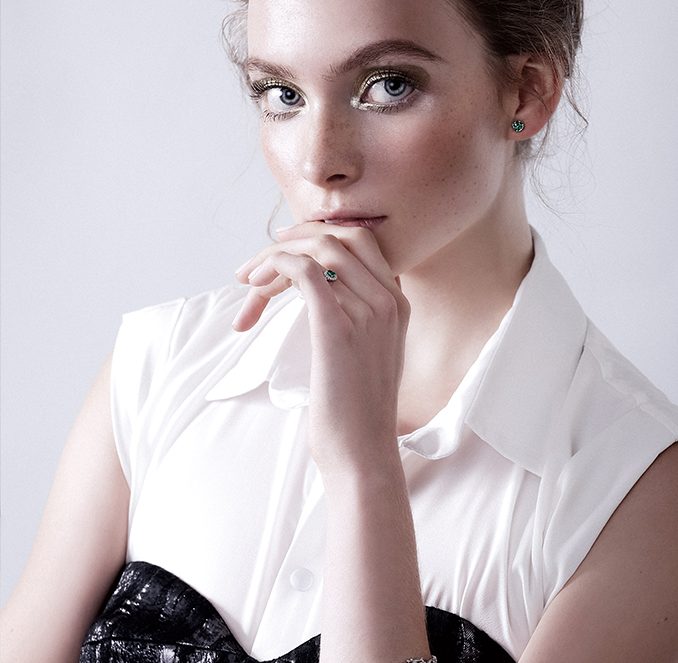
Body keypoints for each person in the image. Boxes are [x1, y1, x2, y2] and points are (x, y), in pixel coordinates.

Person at [1, 0, 677, 661]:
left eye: (389, 86)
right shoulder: (162, 362)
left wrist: (363, 472)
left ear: (527, 92)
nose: (319, 160)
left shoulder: (635, 492)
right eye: (282, 94)